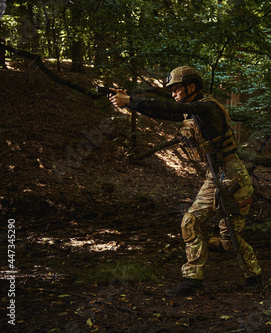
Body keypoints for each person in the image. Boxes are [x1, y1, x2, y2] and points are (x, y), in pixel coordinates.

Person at [109, 66, 262, 296]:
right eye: (171, 90)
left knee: (229, 238)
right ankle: (193, 279)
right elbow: (163, 111)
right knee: (190, 222)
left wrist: (130, 99)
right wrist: (129, 103)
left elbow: (167, 107)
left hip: (234, 176)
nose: (173, 94)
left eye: (177, 89)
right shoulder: (191, 111)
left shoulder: (206, 107)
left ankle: (254, 275)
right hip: (216, 175)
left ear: (192, 87)